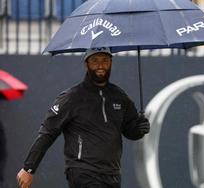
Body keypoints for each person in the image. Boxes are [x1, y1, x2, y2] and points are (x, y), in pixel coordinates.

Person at [16, 48, 150, 188]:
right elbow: (47, 133)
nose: (100, 65)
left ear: (111, 63)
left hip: (112, 174)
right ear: (86, 64)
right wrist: (29, 168)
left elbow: (130, 131)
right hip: (83, 173)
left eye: (105, 61)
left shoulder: (120, 96)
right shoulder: (71, 97)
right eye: (95, 61)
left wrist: (139, 128)